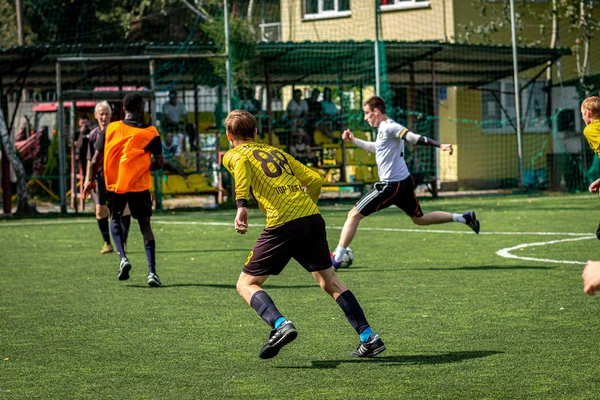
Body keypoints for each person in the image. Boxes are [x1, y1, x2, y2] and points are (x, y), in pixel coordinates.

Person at [222, 110, 385, 359]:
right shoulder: (276, 152)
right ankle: (368, 336)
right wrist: (303, 210)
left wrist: (241, 204)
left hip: (283, 223)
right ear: (256, 132)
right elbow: (314, 180)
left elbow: (242, 166)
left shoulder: (233, 155)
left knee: (246, 284)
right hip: (311, 218)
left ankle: (280, 324)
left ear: (228, 135)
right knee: (329, 281)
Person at [330, 96, 480, 269]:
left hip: (391, 185)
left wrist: (440, 145)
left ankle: (337, 259)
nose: (365, 118)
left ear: (376, 112)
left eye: (366, 113)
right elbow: (377, 148)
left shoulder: (391, 126)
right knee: (419, 219)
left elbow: (413, 137)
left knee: (353, 215)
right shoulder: (383, 129)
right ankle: (464, 218)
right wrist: (354, 140)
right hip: (403, 182)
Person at [84, 93, 165, 287]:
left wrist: (90, 180)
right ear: (141, 109)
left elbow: (95, 159)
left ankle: (122, 258)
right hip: (139, 186)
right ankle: (152, 273)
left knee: (115, 218)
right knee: (145, 227)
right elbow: (160, 163)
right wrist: (141, 168)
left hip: (115, 185)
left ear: (123, 109)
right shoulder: (151, 132)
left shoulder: (111, 128)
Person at [85, 101, 131, 255]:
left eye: (106, 114)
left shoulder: (119, 132)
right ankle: (107, 243)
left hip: (118, 176)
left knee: (124, 209)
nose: (104, 117)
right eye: (101, 114)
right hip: (99, 177)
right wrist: (87, 179)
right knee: (100, 211)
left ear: (111, 115)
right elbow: (89, 160)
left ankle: (123, 242)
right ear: (96, 115)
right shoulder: (93, 135)